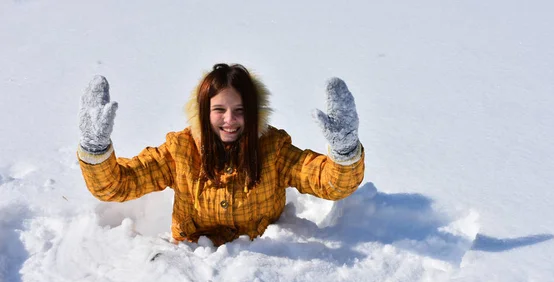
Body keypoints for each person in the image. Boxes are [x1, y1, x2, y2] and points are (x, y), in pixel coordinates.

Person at [77, 63, 365, 246]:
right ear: (204, 112)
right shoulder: (180, 151)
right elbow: (116, 185)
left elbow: (330, 183)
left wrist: (344, 151)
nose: (230, 120)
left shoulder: (273, 149)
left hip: (262, 269)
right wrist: (96, 148)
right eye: (219, 110)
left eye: (240, 111)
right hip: (191, 269)